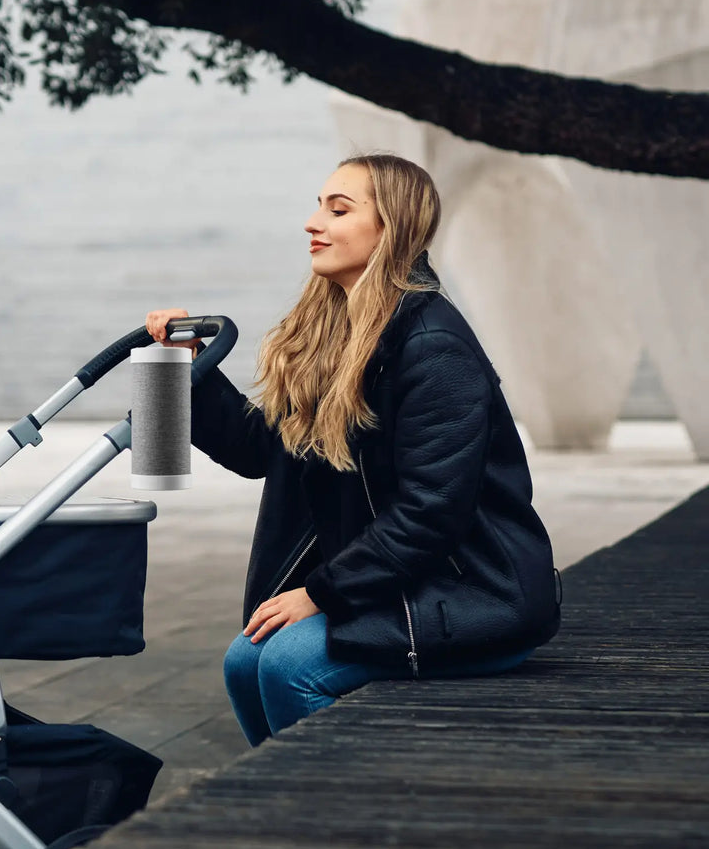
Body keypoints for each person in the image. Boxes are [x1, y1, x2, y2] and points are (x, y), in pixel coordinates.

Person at [145, 153, 561, 746]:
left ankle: (335, 812)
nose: (314, 223)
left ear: (392, 228)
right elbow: (260, 449)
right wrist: (188, 370)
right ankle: (291, 805)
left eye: (338, 210)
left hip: (472, 593)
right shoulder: (335, 335)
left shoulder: (433, 347)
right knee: (244, 661)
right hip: (396, 584)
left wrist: (319, 593)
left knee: (291, 665)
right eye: (318, 206)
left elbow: (429, 514)